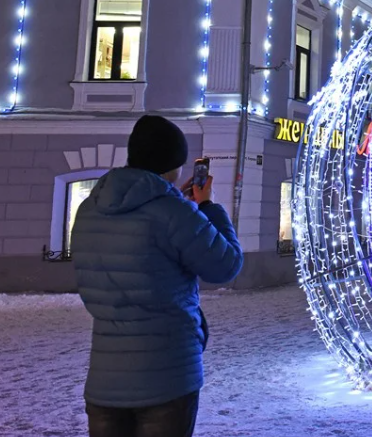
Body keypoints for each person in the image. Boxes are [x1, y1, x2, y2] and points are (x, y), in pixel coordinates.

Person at [70, 115, 243, 437]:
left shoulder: (90, 208)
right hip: (168, 373)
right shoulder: (174, 211)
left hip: (105, 379)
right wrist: (207, 207)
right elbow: (226, 265)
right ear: (173, 164)